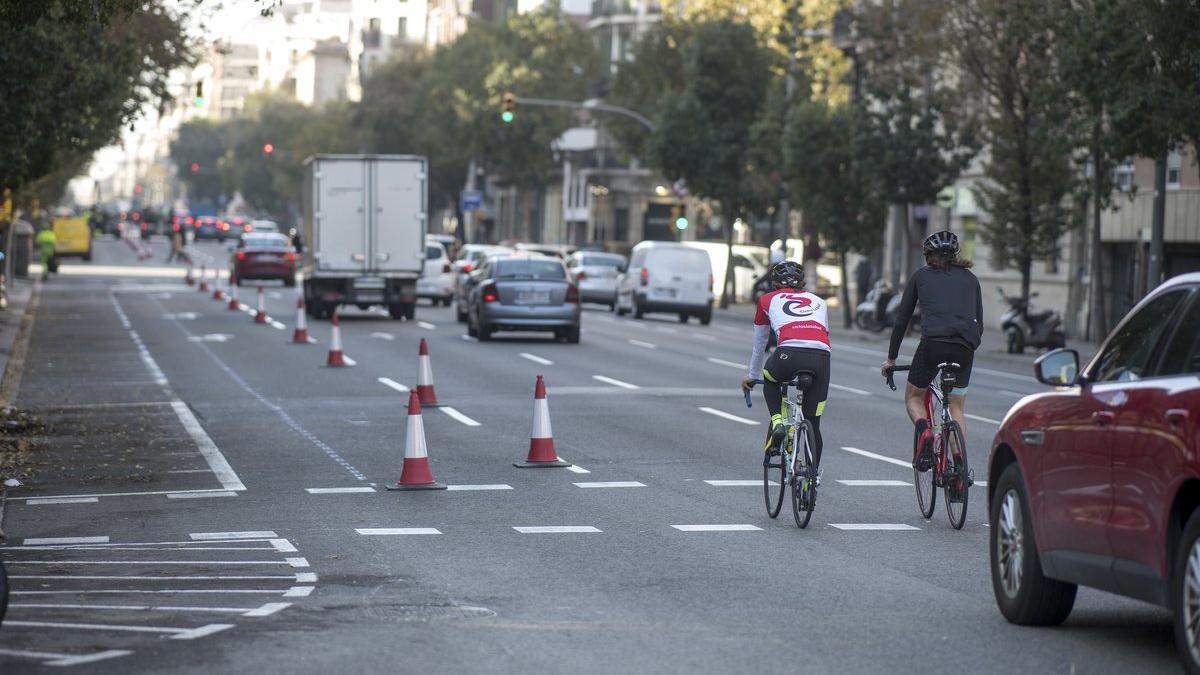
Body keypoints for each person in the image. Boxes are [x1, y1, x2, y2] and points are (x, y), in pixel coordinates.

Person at [880, 230, 982, 471]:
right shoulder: (971, 279)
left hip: (933, 344)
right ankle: (959, 467)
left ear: (928, 256)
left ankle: (924, 430)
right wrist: (969, 344)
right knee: (956, 407)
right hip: (965, 347)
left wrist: (891, 359)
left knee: (914, 397)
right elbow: (979, 321)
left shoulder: (920, 276)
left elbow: (902, 320)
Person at [741, 260, 832, 479]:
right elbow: (824, 335)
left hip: (787, 353)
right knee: (814, 422)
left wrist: (752, 376)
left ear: (774, 283)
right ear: (803, 284)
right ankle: (812, 479)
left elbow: (760, 343)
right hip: (821, 358)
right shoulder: (819, 301)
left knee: (770, 378)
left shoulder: (766, 300)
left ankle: (778, 423)